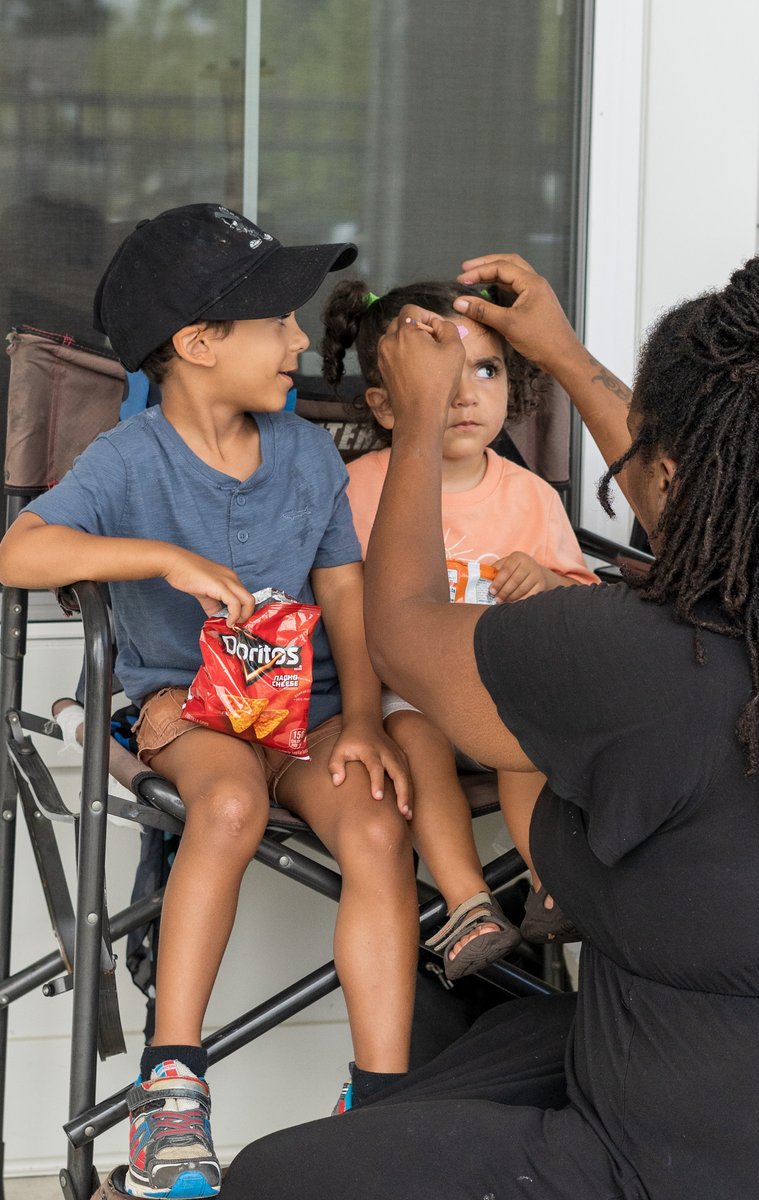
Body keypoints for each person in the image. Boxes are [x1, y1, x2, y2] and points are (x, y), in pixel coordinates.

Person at [218, 244, 759, 1200]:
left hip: (667, 1161)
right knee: (500, 1035)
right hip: (694, 1071)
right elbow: (711, 492)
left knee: (269, 1180)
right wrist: (563, 353)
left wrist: (413, 425)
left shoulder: (639, 658)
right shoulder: (741, 624)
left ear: (673, 465)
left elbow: (402, 634)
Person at [0, 204, 421, 1200]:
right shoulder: (130, 460)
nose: (294, 342)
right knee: (227, 805)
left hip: (306, 709)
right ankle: (171, 1089)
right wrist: (162, 557)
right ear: (195, 344)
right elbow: (19, 553)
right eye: (275, 320)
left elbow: (345, 594)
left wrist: (361, 718)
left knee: (372, 819)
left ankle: (383, 1097)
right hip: (183, 711)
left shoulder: (306, 456)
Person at [321, 279, 598, 973]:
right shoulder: (361, 487)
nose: (467, 393)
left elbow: (581, 600)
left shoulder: (529, 495)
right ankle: (468, 902)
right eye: (445, 374)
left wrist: (544, 581)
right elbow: (338, 601)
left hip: (504, 691)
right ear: (387, 405)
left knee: (525, 746)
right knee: (416, 738)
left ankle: (549, 881)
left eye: (486, 369)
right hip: (409, 692)